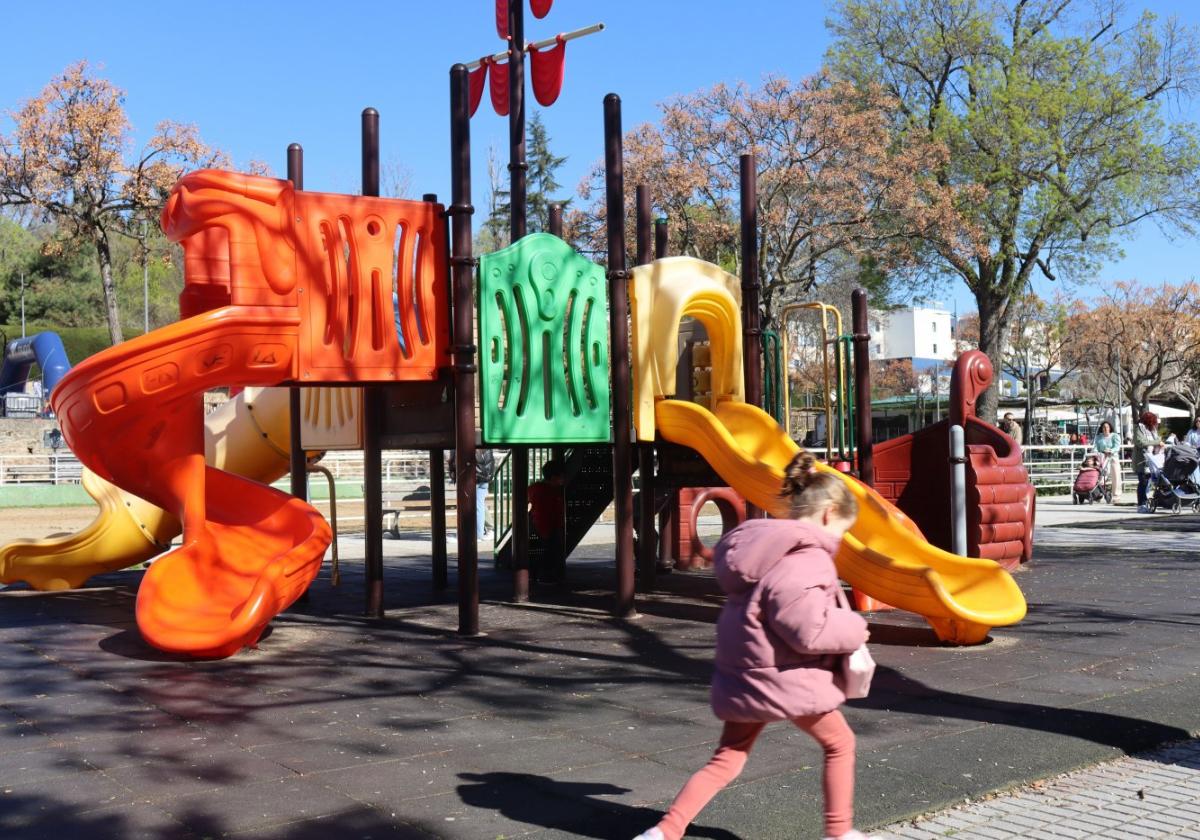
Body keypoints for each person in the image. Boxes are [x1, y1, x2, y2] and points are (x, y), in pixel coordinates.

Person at [633, 451, 875, 840]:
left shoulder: (760, 548)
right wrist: (854, 629)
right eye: (843, 531)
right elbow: (808, 630)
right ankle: (839, 833)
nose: (839, 541)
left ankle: (665, 831)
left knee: (727, 758)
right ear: (829, 514)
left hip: (746, 673)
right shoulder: (807, 556)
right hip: (786, 676)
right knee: (840, 744)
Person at [527, 459, 566, 584]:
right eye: (561, 477)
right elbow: (552, 512)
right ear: (554, 477)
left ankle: (537, 574)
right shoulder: (551, 492)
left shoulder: (535, 488)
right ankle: (545, 575)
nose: (563, 480)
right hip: (548, 526)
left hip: (538, 524)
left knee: (546, 551)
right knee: (550, 552)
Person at [1134, 411, 1160, 513]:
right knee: (1143, 482)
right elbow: (1140, 442)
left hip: (1153, 459)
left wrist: (1157, 442)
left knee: (1150, 482)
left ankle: (1149, 501)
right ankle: (1141, 504)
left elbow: (1157, 438)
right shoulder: (1138, 428)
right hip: (1142, 460)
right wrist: (1157, 442)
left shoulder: (1152, 429)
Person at [1093, 420, 1122, 500]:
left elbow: (1117, 447)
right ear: (1102, 428)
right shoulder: (1099, 437)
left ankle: (1116, 495)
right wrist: (1097, 453)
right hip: (1102, 457)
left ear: (1110, 428)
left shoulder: (1114, 436)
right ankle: (1097, 493)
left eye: (1107, 427)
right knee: (1101, 475)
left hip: (1112, 457)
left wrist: (1110, 451)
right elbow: (1095, 447)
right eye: (1104, 427)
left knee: (1116, 475)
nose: (1105, 428)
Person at [475, 449, 495, 540]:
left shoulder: (474, 447)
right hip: (485, 476)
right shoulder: (486, 448)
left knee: (478, 505)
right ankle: (489, 528)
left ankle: (479, 534)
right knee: (480, 504)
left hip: (477, 477)